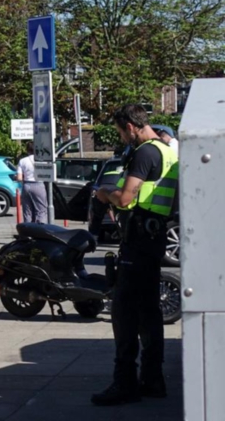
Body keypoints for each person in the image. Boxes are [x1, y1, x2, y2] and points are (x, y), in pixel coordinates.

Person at [92, 104, 178, 406]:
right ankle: (152, 379)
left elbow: (126, 199)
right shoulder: (168, 149)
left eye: (120, 131)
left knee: (124, 313)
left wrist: (105, 193)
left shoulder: (144, 152)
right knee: (149, 313)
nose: (122, 137)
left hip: (139, 240)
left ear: (130, 126)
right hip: (154, 239)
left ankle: (124, 382)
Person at [16, 141, 47, 223]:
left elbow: (19, 178)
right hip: (39, 184)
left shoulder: (22, 161)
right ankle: (41, 230)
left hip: (26, 185)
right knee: (41, 210)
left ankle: (28, 232)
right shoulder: (42, 159)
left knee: (27, 211)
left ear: (27, 150)